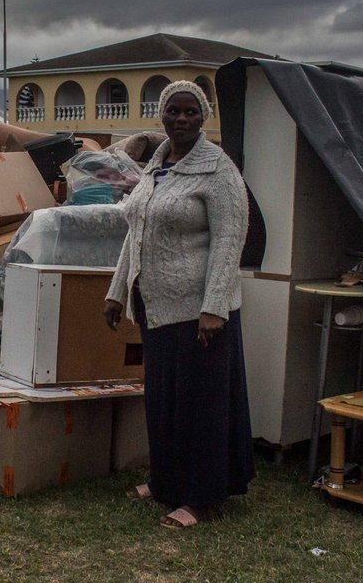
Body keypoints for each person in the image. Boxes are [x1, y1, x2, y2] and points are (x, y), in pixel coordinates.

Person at [103, 80, 254, 529]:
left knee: (200, 407)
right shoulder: (156, 165)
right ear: (162, 115)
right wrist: (116, 292)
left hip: (199, 311)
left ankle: (202, 497)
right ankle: (165, 480)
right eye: (174, 111)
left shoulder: (218, 169)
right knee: (163, 401)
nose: (182, 119)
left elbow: (231, 240)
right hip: (156, 306)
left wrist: (215, 306)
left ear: (203, 117)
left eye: (191, 112)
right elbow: (138, 231)